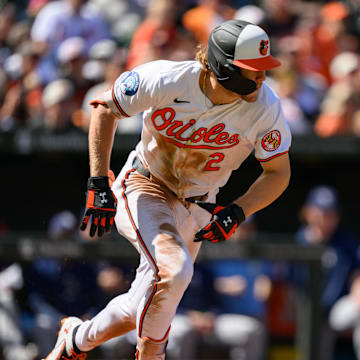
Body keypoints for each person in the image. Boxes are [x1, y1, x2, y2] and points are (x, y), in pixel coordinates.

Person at [44, 19, 291, 360]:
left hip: (199, 204)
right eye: (253, 70)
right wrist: (98, 182)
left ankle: (75, 338)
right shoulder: (169, 78)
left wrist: (238, 210)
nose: (262, 77)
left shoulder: (264, 107)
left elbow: (278, 172)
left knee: (141, 305)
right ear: (223, 66)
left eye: (264, 68)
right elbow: (104, 110)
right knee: (175, 273)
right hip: (146, 184)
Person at [292, 185, 360, 360]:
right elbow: (289, 282)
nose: (324, 218)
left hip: (335, 309)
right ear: (308, 212)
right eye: (320, 212)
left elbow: (356, 272)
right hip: (307, 311)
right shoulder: (298, 243)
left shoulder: (345, 242)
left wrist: (357, 289)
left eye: (330, 213)